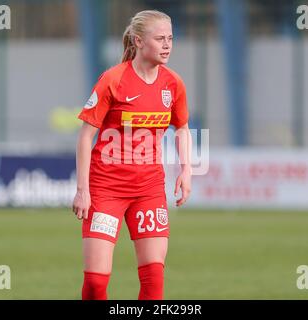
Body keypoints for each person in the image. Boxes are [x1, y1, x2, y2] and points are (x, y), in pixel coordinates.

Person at [72, 10, 192, 300]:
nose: (167, 45)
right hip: (106, 190)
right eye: (160, 38)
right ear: (138, 41)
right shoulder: (113, 79)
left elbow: (183, 129)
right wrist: (83, 190)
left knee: (154, 279)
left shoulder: (173, 83)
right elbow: (86, 136)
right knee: (96, 283)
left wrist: (186, 170)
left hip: (148, 189)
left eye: (171, 38)